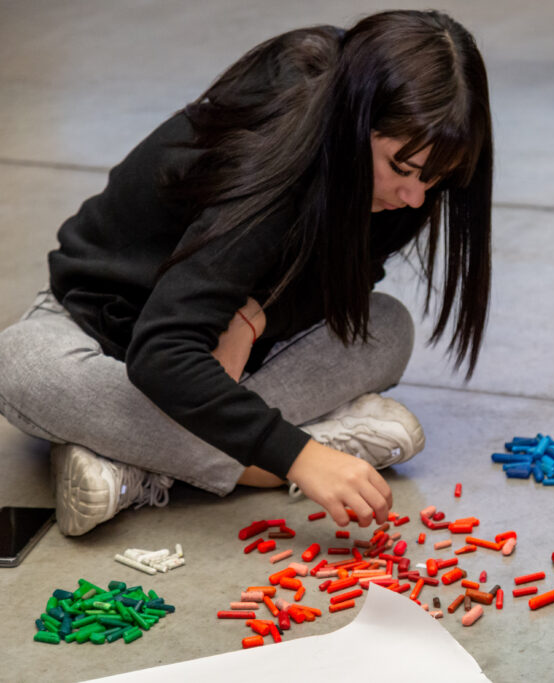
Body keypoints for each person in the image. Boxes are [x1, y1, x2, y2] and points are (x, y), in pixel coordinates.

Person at [0, 10, 493, 537]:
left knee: (388, 328)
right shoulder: (273, 158)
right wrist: (298, 456)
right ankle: (267, 460)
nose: (416, 197)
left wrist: (255, 318)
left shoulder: (407, 170)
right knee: (21, 363)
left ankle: (129, 460)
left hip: (229, 351)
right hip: (103, 331)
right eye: (401, 168)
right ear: (355, 122)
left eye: (435, 178)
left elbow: (348, 277)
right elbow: (161, 353)